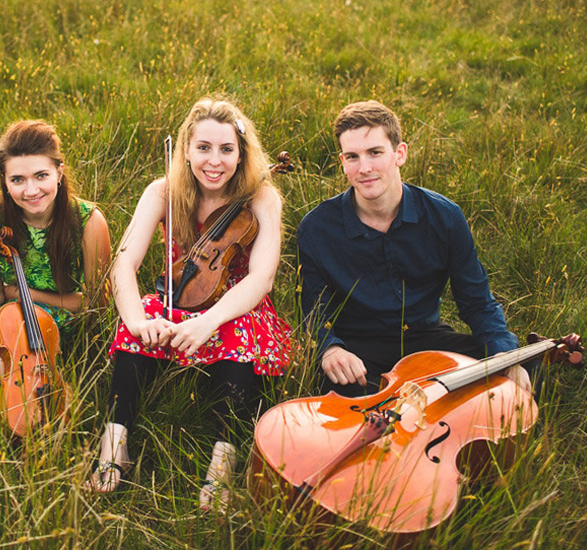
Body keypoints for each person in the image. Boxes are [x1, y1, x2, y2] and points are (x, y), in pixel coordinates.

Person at [85, 97, 291, 512]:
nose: (214, 161)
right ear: (185, 150)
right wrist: (137, 320)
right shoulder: (163, 191)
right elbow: (124, 262)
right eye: (203, 148)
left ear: (241, 153)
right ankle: (114, 446)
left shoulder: (262, 198)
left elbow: (261, 279)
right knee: (138, 316)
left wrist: (208, 322)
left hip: (235, 306)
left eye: (226, 150)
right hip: (177, 299)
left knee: (239, 332)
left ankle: (222, 467)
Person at [297, 100, 529, 399]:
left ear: (400, 153)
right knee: (339, 397)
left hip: (426, 339)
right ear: (342, 161)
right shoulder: (317, 228)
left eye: (375, 153)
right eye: (352, 157)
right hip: (359, 350)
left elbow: (477, 301)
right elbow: (313, 310)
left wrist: (502, 355)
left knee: (523, 370)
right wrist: (330, 349)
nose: (364, 168)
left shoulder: (444, 216)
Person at [0, 120, 111, 474]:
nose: (31, 190)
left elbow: (96, 306)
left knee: (8, 336)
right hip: (4, 320)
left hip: (61, 330)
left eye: (41, 176)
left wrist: (25, 293)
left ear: (60, 172)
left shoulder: (89, 222)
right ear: (4, 181)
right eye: (17, 180)